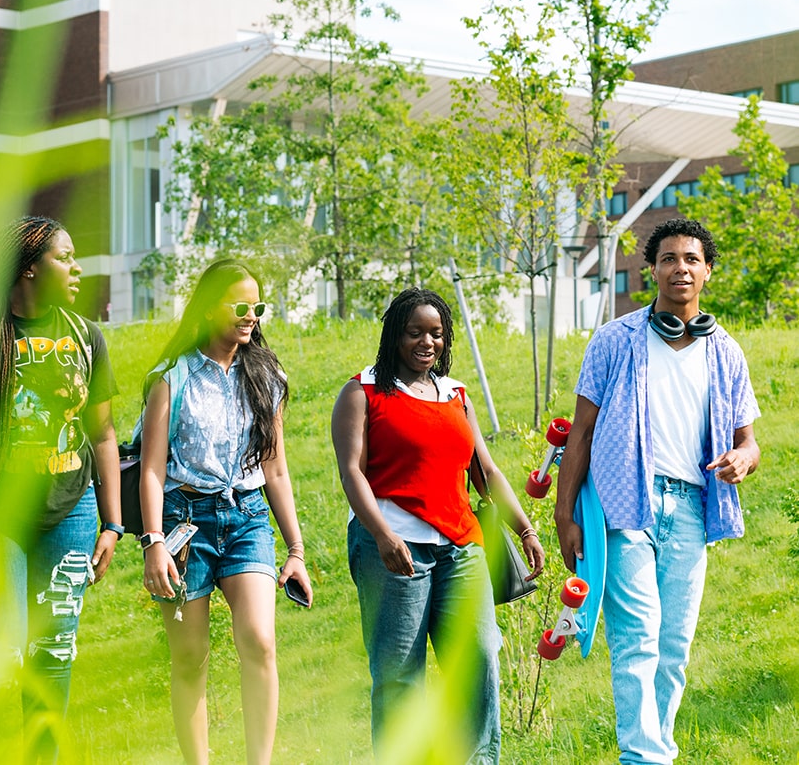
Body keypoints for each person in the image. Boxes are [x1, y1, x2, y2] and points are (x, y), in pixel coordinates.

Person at [554, 218, 760, 765]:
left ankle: (656, 751)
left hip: (692, 508)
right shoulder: (615, 340)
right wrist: (564, 512)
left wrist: (742, 458)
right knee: (638, 640)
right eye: (669, 259)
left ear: (707, 271)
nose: (680, 268)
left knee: (673, 651)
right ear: (652, 270)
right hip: (628, 507)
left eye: (692, 259)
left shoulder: (726, 353)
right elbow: (582, 433)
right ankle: (644, 758)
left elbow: (749, 441)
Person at [331, 287, 544, 763]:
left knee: (478, 660)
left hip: (461, 547)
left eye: (436, 334)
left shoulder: (456, 395)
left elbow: (485, 473)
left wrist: (525, 529)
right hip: (393, 549)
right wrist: (383, 536)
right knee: (399, 673)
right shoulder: (362, 391)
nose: (427, 342)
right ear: (394, 336)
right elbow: (351, 472)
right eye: (414, 333)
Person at [0, 215, 122, 763]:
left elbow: (105, 434)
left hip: (71, 513)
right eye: (63, 257)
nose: (76, 267)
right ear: (27, 270)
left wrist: (113, 522)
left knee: (53, 650)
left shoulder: (86, 336)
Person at [138, 258, 312, 765]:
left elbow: (276, 470)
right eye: (240, 306)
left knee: (259, 640)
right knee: (190, 657)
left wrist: (296, 550)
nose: (251, 316)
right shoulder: (170, 377)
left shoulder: (267, 375)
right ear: (209, 306)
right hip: (181, 523)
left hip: (247, 516)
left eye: (257, 307)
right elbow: (151, 471)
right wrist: (152, 543)